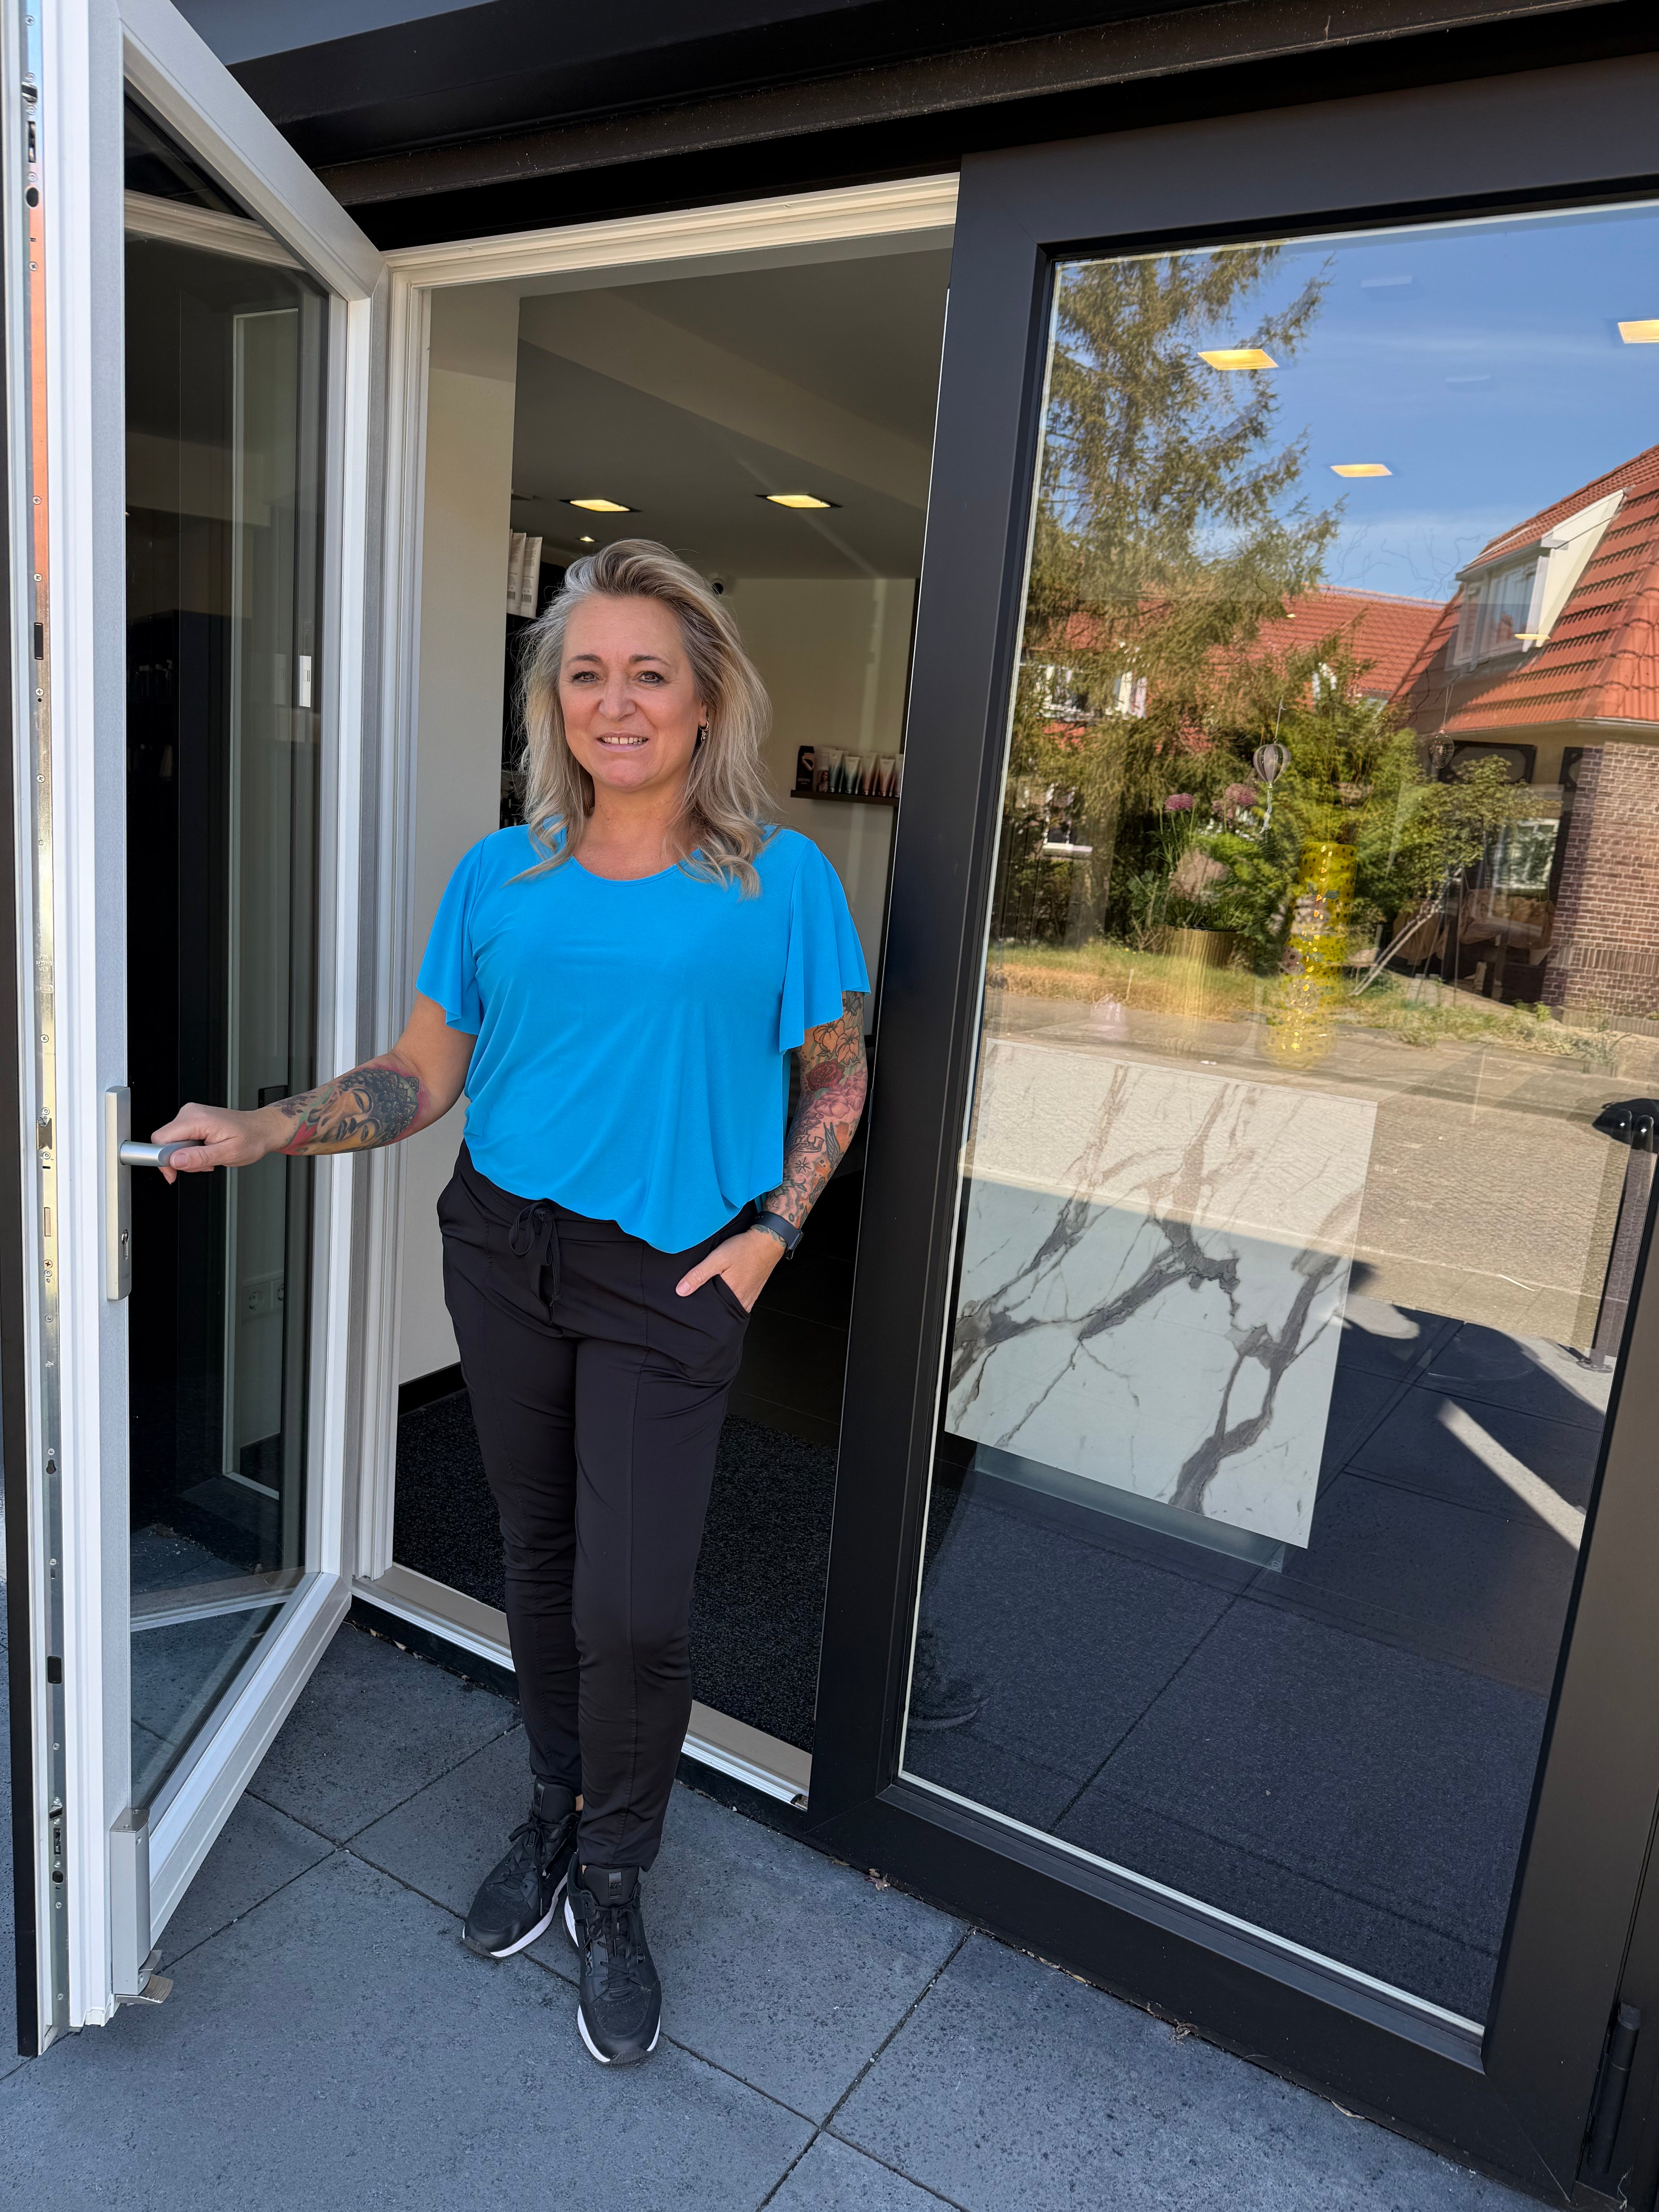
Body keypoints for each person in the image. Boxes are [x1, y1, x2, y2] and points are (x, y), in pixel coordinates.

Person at [151, 539, 870, 2066]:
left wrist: (773, 1235)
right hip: (502, 1250)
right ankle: (556, 1808)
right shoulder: (501, 873)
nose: (616, 702)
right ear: (553, 702)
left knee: (633, 1602)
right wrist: (269, 1127)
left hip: (676, 1271)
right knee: (536, 1560)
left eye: (648, 673)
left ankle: (616, 1879)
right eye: (585, 673)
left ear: (705, 697)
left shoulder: (779, 881)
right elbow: (423, 1074)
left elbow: (837, 1069)